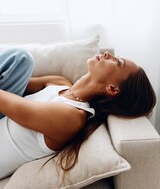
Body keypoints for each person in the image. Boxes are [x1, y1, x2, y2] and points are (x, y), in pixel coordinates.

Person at [0, 48, 156, 179]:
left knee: (22, 57)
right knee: (20, 61)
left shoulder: (72, 117)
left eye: (118, 62)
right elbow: (10, 83)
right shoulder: (59, 83)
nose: (108, 53)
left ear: (113, 89)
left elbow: (6, 102)